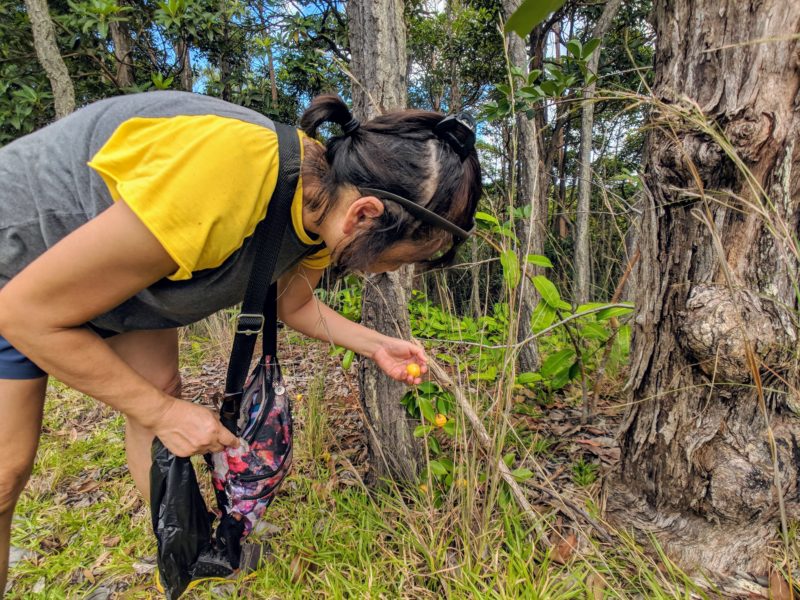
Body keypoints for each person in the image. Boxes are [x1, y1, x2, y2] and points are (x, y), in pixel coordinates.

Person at [0, 91, 481, 592]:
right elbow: (25, 313)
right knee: (6, 474)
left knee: (159, 386)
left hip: (121, 278)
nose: (389, 271)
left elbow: (295, 306)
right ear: (364, 214)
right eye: (399, 259)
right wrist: (165, 413)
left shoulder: (323, 211)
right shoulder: (229, 174)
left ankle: (189, 543)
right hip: (23, 261)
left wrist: (375, 344)